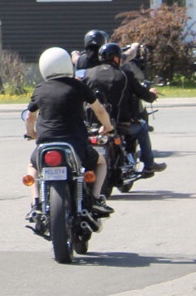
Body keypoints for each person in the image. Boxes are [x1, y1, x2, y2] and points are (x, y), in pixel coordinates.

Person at [24, 46, 115, 217]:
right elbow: (100, 110)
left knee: (32, 165)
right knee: (101, 162)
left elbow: (30, 116)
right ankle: (95, 199)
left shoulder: (40, 89)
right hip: (75, 144)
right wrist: (108, 127)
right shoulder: (78, 86)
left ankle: (35, 203)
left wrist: (31, 133)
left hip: (47, 144)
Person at [87, 42, 162, 175]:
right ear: (116, 58)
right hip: (119, 125)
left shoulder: (89, 74)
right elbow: (143, 94)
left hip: (94, 125)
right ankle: (149, 164)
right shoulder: (125, 74)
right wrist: (152, 94)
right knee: (143, 126)